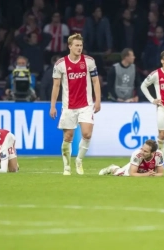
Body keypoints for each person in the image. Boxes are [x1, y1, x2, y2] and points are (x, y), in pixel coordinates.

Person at [50, 33, 101, 176]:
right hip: (68, 106)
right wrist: (53, 106)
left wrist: (97, 100)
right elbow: (56, 86)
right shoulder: (60, 64)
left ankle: (79, 161)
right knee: (68, 137)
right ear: (69, 46)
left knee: (87, 134)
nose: (79, 48)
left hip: (86, 105)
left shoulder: (89, 61)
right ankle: (67, 167)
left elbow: (96, 81)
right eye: (76, 45)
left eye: (81, 45)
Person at [99, 140, 164, 177]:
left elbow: (161, 173)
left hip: (145, 172)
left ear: (153, 153)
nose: (142, 152)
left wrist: (152, 175)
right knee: (119, 173)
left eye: (145, 151)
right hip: (133, 169)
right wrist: (147, 174)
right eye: (142, 149)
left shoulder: (159, 155)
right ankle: (113, 168)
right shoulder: (137, 154)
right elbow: (132, 174)